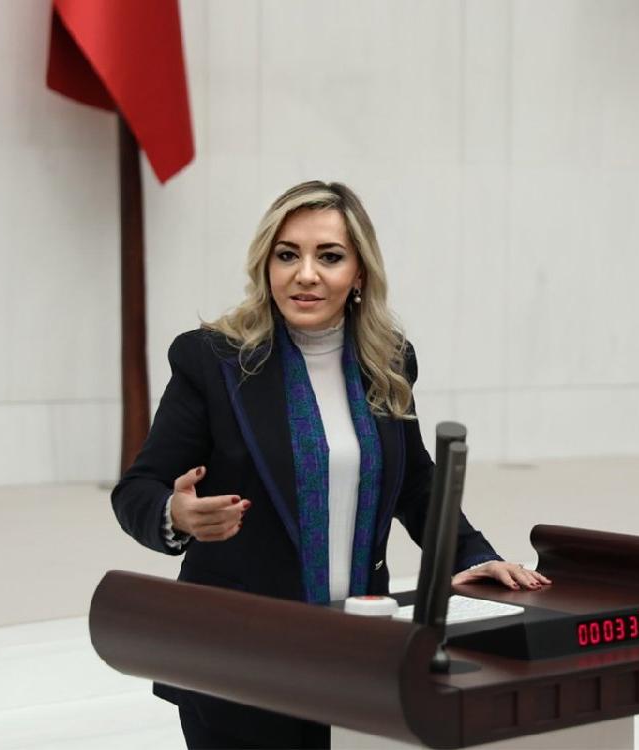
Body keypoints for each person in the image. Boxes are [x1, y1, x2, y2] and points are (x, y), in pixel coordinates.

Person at [112, 180, 551, 749]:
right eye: (287, 255)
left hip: (356, 652)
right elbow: (137, 489)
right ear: (266, 265)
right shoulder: (212, 360)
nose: (306, 274)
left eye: (330, 256)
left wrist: (473, 555)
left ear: (359, 272)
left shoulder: (387, 361)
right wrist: (176, 515)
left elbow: (414, 482)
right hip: (238, 657)